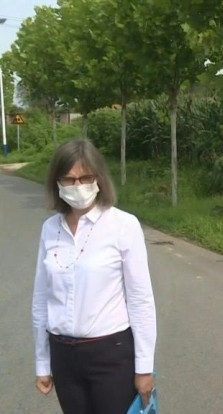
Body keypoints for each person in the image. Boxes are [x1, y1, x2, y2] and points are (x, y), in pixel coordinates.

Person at [31, 139, 156, 413]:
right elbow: (41, 301)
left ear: (98, 178)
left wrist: (144, 368)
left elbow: (140, 300)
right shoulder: (50, 229)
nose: (78, 187)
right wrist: (42, 363)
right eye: (69, 179)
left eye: (85, 178)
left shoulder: (123, 226)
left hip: (111, 354)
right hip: (63, 356)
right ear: (57, 183)